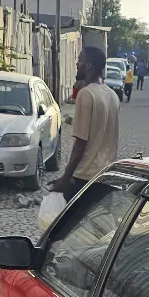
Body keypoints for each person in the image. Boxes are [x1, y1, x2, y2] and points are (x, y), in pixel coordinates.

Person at [52, 45, 120, 199]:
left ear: (88, 66)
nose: (77, 64)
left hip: (85, 177)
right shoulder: (112, 95)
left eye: (80, 60)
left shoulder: (86, 94)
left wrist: (65, 177)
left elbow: (81, 142)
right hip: (107, 175)